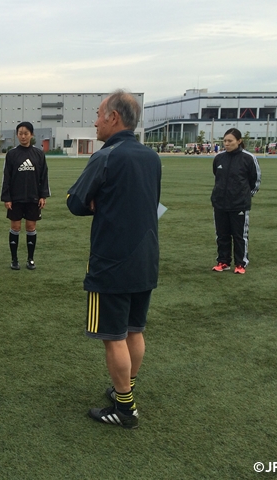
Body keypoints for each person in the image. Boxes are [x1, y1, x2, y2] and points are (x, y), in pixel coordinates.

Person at [67, 90, 161, 429]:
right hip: (146, 257)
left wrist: (95, 201)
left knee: (114, 336)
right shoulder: (152, 157)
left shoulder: (105, 156)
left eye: (97, 114)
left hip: (111, 260)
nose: (94, 121)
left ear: (113, 118)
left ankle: (125, 409)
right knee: (135, 330)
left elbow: (76, 202)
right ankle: (126, 389)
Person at [211, 128, 261, 274]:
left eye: (230, 141)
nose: (226, 144)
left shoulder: (248, 158)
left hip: (239, 204)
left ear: (239, 141)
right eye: (225, 141)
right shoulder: (219, 158)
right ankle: (223, 261)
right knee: (222, 234)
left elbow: (255, 181)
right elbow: (217, 176)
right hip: (220, 204)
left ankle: (241, 263)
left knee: (239, 235)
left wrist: (244, 196)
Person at [0, 121, 50, 270]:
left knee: (31, 226)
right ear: (17, 135)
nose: (23, 136)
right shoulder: (12, 154)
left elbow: (44, 176)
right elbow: (6, 177)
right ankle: (14, 259)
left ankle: (30, 259)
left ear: (31, 135)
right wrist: (7, 197)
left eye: (26, 133)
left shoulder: (39, 154)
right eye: (20, 133)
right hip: (15, 199)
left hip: (33, 198)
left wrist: (43, 196)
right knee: (15, 227)